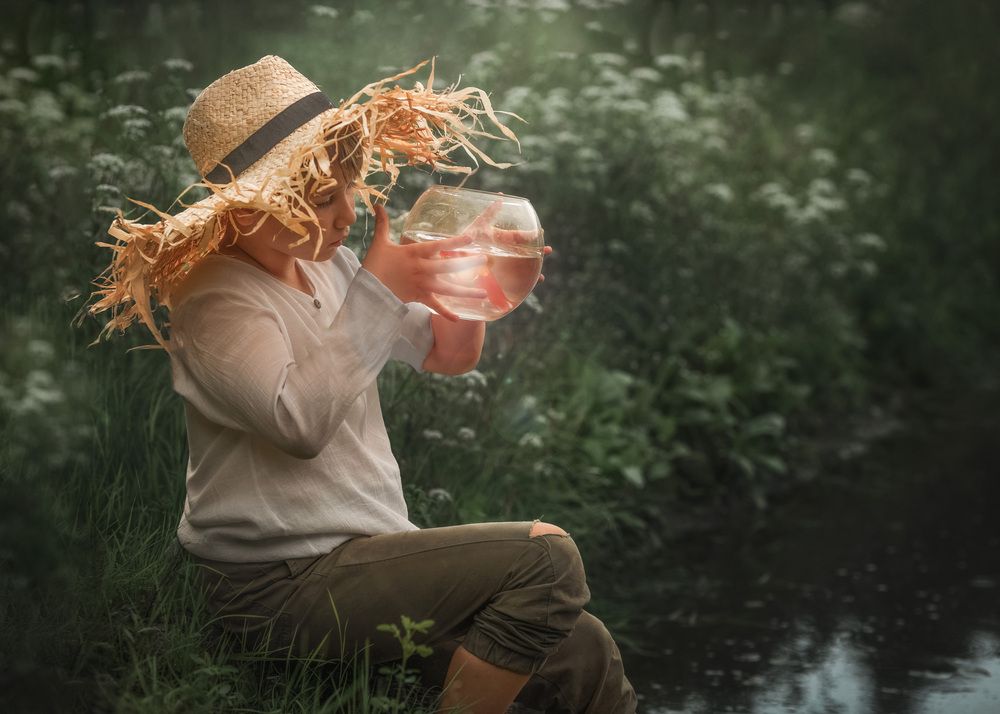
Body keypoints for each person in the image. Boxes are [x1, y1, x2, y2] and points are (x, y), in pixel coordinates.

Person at [86, 55, 636, 714]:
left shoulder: (328, 264)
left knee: (582, 644)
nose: (349, 213)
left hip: (365, 559)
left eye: (351, 186)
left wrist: (475, 284)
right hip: (274, 588)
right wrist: (377, 289)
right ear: (256, 200)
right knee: (547, 560)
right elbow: (299, 424)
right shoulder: (213, 295)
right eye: (325, 197)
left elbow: (447, 354)